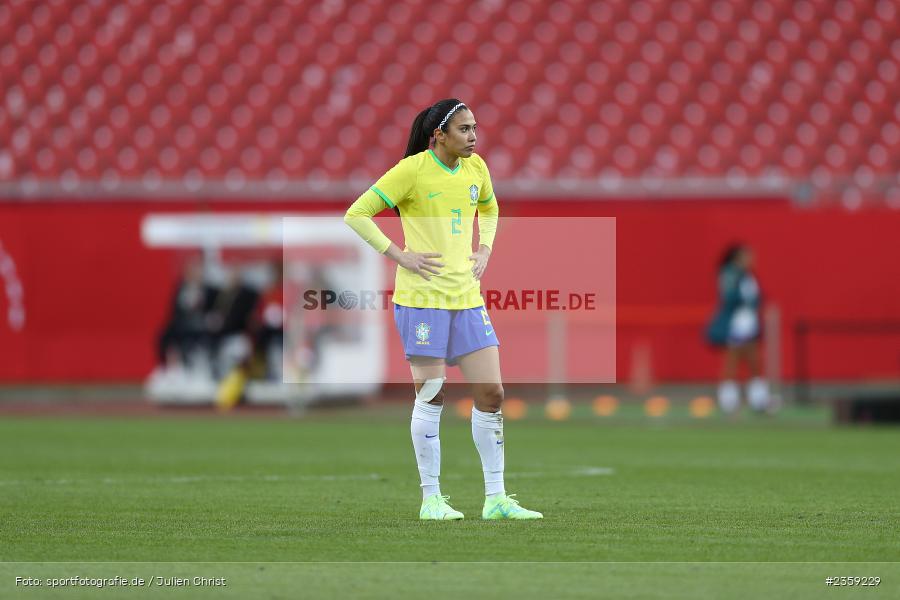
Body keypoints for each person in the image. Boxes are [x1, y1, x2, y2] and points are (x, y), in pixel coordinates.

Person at [344, 98, 542, 520]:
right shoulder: (412, 170)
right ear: (440, 135)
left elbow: (489, 207)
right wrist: (400, 255)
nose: (473, 137)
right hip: (423, 300)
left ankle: (496, 500)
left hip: (466, 297)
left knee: (492, 393)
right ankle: (431, 499)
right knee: (432, 394)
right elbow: (357, 213)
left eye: (475, 128)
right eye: (465, 129)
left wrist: (485, 248)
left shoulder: (477, 169)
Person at [706, 243, 769, 413]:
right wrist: (744, 299)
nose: (751, 259)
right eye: (747, 255)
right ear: (738, 257)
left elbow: (757, 298)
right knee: (732, 361)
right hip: (735, 324)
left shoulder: (747, 275)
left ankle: (759, 400)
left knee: (754, 361)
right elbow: (728, 296)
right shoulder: (730, 273)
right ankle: (729, 401)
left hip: (749, 323)